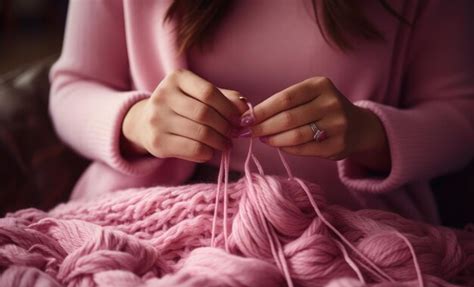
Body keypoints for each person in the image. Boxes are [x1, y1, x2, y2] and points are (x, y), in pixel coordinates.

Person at [49, 0, 474, 225]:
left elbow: (462, 114)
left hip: (353, 234)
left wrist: (371, 133)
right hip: (134, 220)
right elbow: (70, 89)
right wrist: (135, 122)